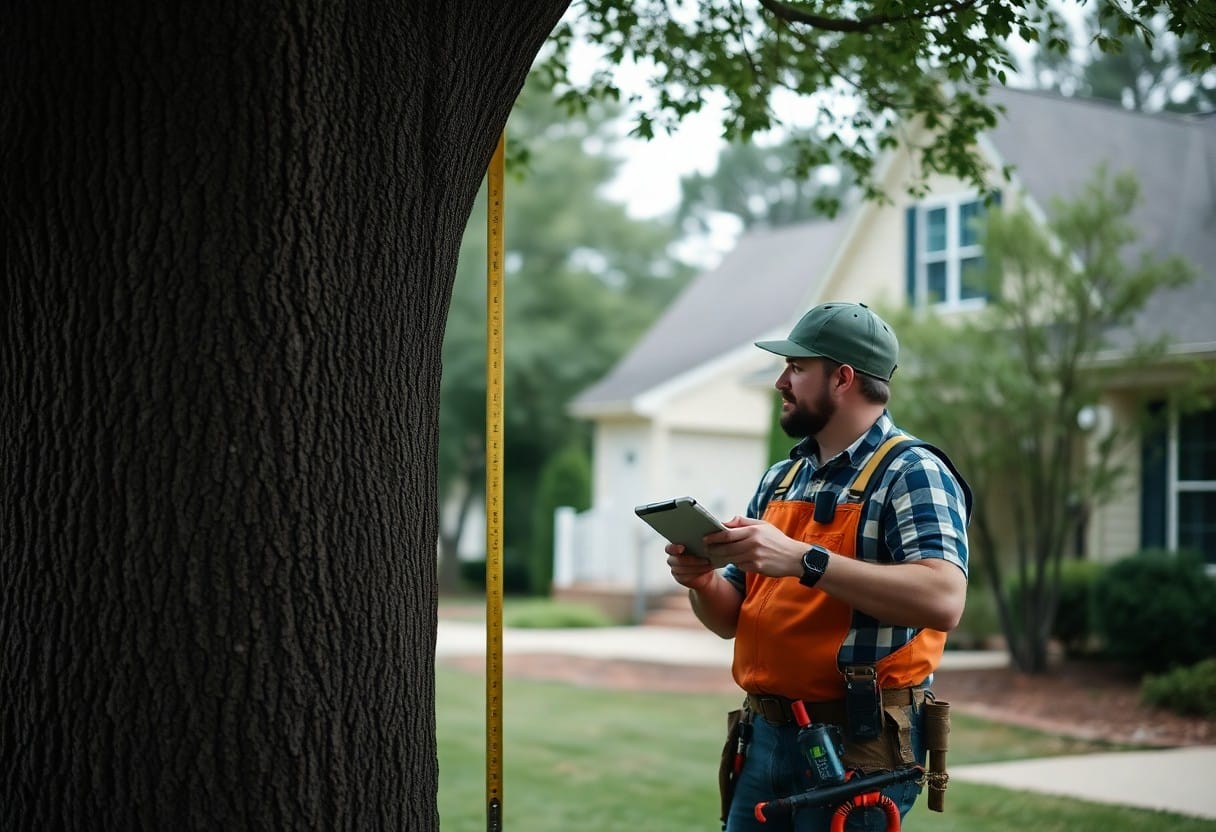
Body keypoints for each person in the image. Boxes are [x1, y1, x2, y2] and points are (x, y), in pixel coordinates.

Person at [666, 301, 971, 832]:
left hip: (858, 746)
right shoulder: (782, 478)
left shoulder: (911, 471)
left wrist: (804, 559)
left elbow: (944, 599)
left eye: (798, 368)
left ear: (843, 378)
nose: (782, 382)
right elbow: (729, 619)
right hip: (763, 737)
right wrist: (702, 581)